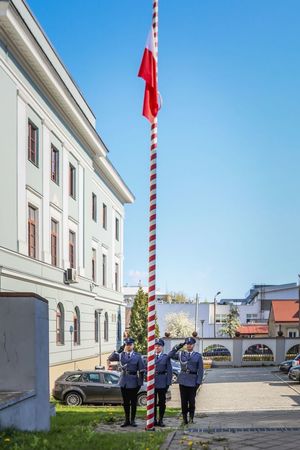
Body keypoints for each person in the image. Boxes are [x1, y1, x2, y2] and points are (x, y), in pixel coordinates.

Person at [108, 337, 145, 427]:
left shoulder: (137, 356)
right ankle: (126, 420)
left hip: (133, 381)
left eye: (130, 345)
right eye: (127, 345)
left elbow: (142, 370)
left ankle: (132, 420)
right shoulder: (121, 355)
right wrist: (120, 349)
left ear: (133, 345)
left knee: (133, 402)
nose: (128, 346)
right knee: (125, 402)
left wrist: (140, 383)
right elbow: (111, 358)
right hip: (123, 381)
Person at [168, 336, 203, 424]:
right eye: (187, 344)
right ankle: (184, 419)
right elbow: (170, 355)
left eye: (190, 344)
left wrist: (198, 382)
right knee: (184, 401)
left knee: (191, 401)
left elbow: (201, 370)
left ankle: (191, 418)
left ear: (193, 345)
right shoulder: (181, 354)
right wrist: (179, 346)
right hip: (183, 380)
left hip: (193, 381)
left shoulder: (198, 356)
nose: (188, 346)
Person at [153, 338, 172, 427]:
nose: (157, 347)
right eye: (156, 346)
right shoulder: (150, 357)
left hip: (162, 382)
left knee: (162, 403)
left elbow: (170, 371)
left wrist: (168, 383)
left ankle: (160, 420)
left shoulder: (166, 357)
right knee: (152, 403)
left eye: (159, 346)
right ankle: (153, 419)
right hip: (152, 382)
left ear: (162, 347)